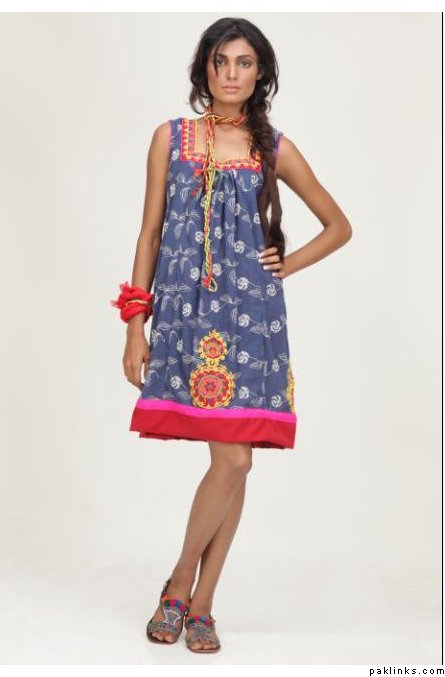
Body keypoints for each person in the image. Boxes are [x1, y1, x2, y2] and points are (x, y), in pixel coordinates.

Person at [111, 17, 352, 653]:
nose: (231, 74)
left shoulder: (273, 147)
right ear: (205, 69)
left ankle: (187, 590)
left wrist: (284, 265)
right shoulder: (171, 137)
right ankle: (196, 600)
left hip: (253, 321)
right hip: (186, 318)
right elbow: (149, 233)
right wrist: (135, 323)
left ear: (260, 73)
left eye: (244, 63)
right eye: (221, 61)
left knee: (236, 459)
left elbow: (338, 225)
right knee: (233, 461)